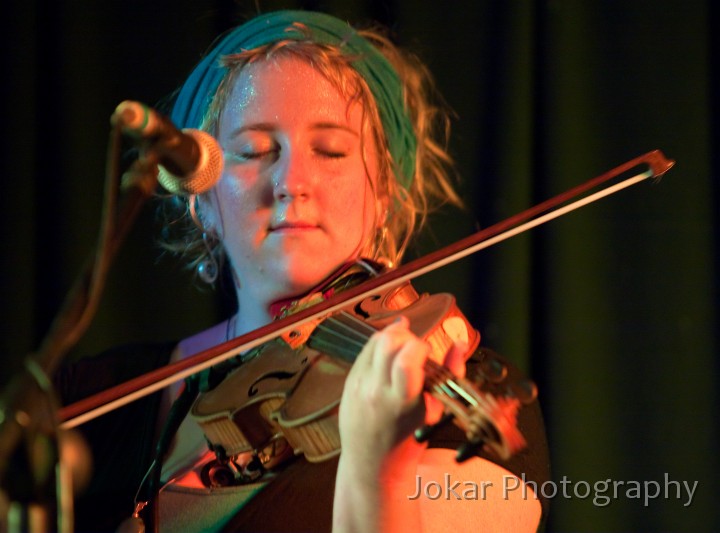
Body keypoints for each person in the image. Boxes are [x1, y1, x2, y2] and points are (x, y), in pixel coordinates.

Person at [56, 9, 550, 532]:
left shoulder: (460, 395)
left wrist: (377, 470)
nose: (292, 180)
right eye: (254, 151)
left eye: (331, 150)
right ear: (201, 199)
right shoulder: (94, 400)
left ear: (384, 192)